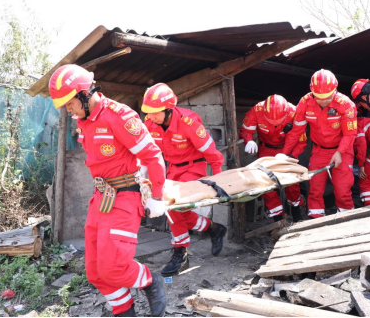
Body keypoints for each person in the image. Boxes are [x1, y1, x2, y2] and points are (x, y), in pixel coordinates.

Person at [49, 64, 167, 317]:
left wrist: (157, 195)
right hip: (101, 198)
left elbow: (152, 155)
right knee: (94, 270)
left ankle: (151, 280)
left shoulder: (120, 116)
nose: (68, 109)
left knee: (114, 267)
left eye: (70, 103)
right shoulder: (85, 121)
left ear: (84, 94)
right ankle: (124, 310)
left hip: (125, 196)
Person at [142, 83, 227, 277]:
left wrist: (217, 177)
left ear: (168, 109)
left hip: (193, 168)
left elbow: (211, 151)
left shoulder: (188, 123)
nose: (152, 116)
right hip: (172, 169)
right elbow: (141, 146)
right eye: (149, 112)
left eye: (155, 112)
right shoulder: (151, 122)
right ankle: (213, 229)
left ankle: (180, 253)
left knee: (176, 210)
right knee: (176, 211)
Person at [282, 69, 358, 218]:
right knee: (315, 189)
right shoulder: (305, 103)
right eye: (319, 97)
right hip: (319, 151)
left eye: (327, 97)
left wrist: (340, 152)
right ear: (312, 92)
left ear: (335, 90)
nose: (323, 100)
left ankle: (347, 221)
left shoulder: (346, 105)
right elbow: (296, 131)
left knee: (342, 190)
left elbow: (350, 134)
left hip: (342, 150)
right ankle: (315, 221)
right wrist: (284, 154)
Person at [240, 94, 307, 222]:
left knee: (292, 181)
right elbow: (245, 130)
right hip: (266, 149)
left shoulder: (294, 112)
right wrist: (248, 140)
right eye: (271, 121)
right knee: (265, 181)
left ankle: (296, 213)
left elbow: (301, 141)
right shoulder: (256, 110)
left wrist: (291, 156)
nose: (274, 123)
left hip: (287, 149)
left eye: (278, 121)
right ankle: (278, 219)